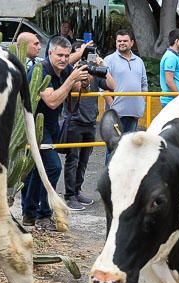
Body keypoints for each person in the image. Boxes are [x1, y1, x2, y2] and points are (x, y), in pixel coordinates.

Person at [21, 36, 89, 230]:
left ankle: (29, 213)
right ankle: (43, 214)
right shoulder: (40, 70)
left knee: (37, 170)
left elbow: (75, 86)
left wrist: (84, 80)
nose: (63, 59)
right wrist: (71, 80)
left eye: (67, 56)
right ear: (49, 53)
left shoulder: (65, 69)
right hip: (34, 125)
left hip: (50, 126)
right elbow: (52, 101)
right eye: (59, 55)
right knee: (52, 167)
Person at [62, 51, 115, 211]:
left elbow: (112, 86)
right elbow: (79, 88)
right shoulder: (71, 75)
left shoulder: (94, 73)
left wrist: (102, 67)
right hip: (75, 121)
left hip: (91, 122)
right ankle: (69, 195)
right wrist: (79, 73)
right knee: (73, 160)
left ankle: (77, 191)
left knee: (84, 160)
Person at [103, 29, 148, 133]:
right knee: (114, 147)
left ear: (132, 43)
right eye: (119, 41)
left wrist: (142, 102)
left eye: (125, 41)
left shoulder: (139, 61)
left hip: (134, 112)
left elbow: (144, 84)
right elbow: (103, 87)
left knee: (128, 147)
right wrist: (112, 106)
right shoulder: (108, 60)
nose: (122, 43)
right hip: (116, 114)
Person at [159, 28, 179, 107]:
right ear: (177, 41)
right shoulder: (171, 57)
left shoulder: (175, 56)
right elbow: (169, 81)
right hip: (171, 101)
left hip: (174, 100)